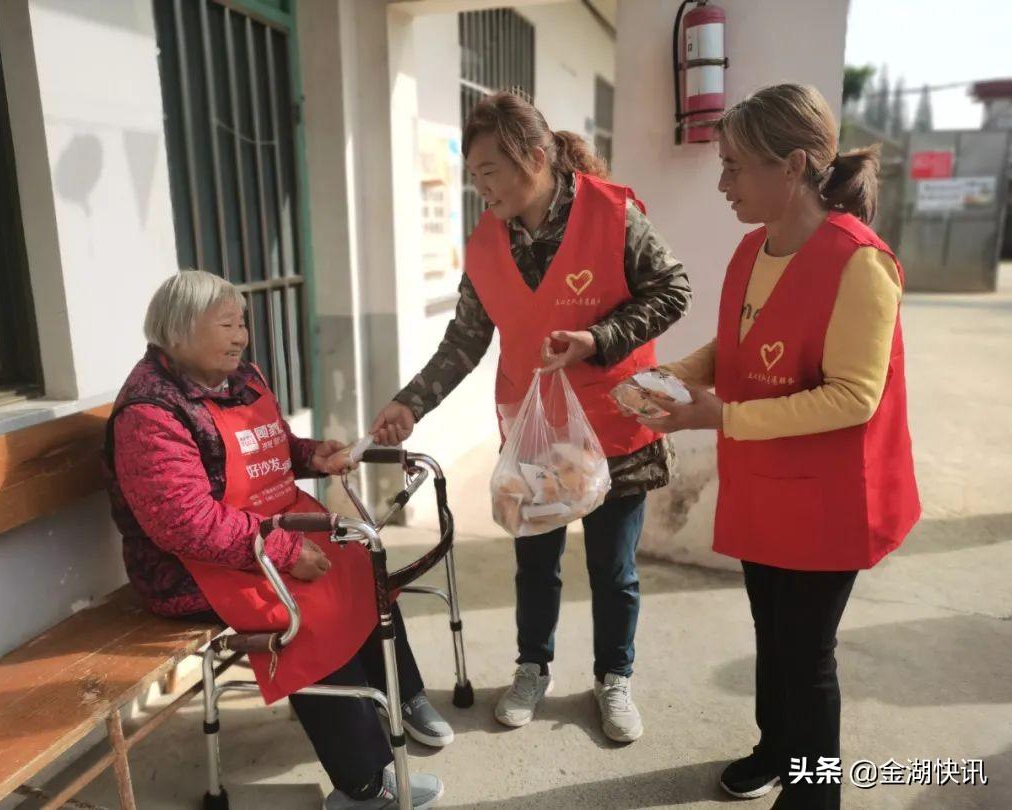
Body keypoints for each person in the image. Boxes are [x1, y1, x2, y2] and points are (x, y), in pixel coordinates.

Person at [371, 92, 691, 743]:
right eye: (473, 172)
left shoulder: (613, 214)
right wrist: (411, 401)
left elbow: (674, 290)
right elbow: (463, 340)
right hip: (536, 431)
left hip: (618, 423)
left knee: (613, 569)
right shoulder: (487, 244)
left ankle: (614, 677)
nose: (478, 184)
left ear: (535, 159)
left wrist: (599, 338)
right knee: (535, 563)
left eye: (489, 169)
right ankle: (532, 669)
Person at [644, 84, 920, 809]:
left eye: (736, 166)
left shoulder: (860, 264)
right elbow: (735, 345)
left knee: (808, 655)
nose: (724, 183)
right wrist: (674, 376)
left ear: (794, 164)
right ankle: (774, 748)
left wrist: (719, 416)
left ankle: (814, 794)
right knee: (775, 634)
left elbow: (853, 396)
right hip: (766, 485)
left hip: (829, 500)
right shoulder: (752, 248)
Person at [105, 270, 451, 809]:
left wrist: (312, 455)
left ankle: (400, 696)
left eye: (242, 322)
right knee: (303, 609)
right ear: (176, 332)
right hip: (188, 565)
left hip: (260, 532)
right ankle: (362, 784)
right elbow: (184, 522)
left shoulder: (238, 377)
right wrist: (284, 551)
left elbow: (272, 446)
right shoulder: (150, 412)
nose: (242, 335)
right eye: (226, 324)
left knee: (362, 562)